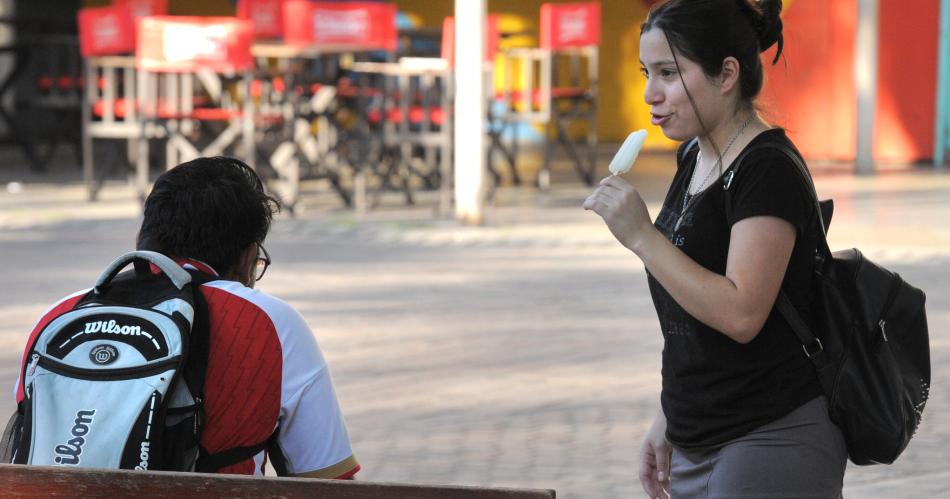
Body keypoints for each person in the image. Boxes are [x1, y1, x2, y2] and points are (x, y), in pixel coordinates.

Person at [583, 1, 847, 497]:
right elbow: (690, 314)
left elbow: (741, 313)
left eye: (668, 73)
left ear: (726, 73)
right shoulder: (694, 156)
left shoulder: (766, 169)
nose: (650, 94)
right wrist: (668, 414)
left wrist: (642, 235)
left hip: (771, 434)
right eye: (646, 72)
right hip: (695, 437)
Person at [17, 157, 359, 478]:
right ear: (247, 257)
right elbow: (327, 480)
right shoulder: (271, 324)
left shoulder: (60, 316)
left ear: (141, 239)